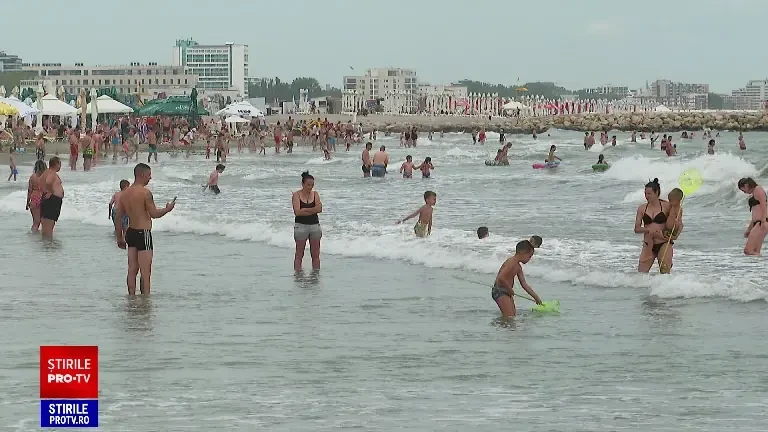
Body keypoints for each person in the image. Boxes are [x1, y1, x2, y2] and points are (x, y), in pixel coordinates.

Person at [115, 163, 176, 295]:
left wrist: (119, 237)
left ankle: (131, 297)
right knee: (145, 271)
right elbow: (154, 214)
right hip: (143, 233)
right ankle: (145, 300)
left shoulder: (124, 194)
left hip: (130, 233)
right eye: (149, 175)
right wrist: (167, 209)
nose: (150, 178)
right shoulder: (145, 193)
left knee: (132, 269)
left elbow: (118, 217)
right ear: (142, 175)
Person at [491, 240, 543, 317]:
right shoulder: (511, 262)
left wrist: (536, 298)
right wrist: (509, 289)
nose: (529, 259)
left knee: (512, 315)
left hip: (507, 292)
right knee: (509, 317)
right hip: (499, 291)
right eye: (529, 256)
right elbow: (500, 278)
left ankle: (501, 326)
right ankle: (499, 327)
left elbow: (524, 284)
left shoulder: (518, 267)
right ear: (523, 252)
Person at [634, 178, 670, 272]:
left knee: (665, 272)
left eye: (649, 194)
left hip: (663, 243)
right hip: (648, 243)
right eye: (645, 193)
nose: (646, 196)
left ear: (656, 192)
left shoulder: (666, 206)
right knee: (641, 274)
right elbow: (637, 229)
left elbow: (674, 222)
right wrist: (648, 230)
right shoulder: (642, 208)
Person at [292, 171, 323, 272]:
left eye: (312, 185)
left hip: (314, 226)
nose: (310, 187)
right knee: (299, 254)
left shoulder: (315, 194)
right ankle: (297, 276)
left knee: (315, 255)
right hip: (301, 226)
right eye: (308, 185)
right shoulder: (296, 195)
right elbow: (297, 212)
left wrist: (305, 210)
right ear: (303, 184)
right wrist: (312, 210)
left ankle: (316, 275)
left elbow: (319, 209)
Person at [737, 177, 768, 256]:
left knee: (748, 251)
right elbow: (755, 215)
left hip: (762, 223)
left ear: (746, 185)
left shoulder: (758, 189)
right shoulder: (754, 193)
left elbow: (764, 205)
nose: (744, 192)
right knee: (755, 251)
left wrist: (764, 221)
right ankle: (759, 267)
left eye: (743, 190)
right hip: (758, 223)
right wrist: (749, 229)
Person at [659, 188, 684, 273]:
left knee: (667, 242)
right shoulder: (672, 206)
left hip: (673, 230)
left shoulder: (678, 209)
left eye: (671, 200)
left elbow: (680, 224)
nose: (669, 202)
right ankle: (667, 260)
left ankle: (668, 261)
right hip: (667, 229)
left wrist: (677, 224)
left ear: (678, 200)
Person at [39, 156, 64, 238]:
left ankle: (46, 246)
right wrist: (51, 192)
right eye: (60, 164)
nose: (60, 166)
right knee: (49, 226)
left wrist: (45, 191)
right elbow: (48, 182)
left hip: (47, 199)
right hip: (52, 201)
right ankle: (49, 247)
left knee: (46, 226)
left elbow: (40, 182)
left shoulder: (46, 172)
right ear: (56, 164)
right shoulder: (52, 173)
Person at [26, 160, 46, 232]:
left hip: (34, 200)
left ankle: (33, 239)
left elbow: (29, 191)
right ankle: (44, 240)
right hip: (44, 200)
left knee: (35, 222)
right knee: (45, 223)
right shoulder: (46, 177)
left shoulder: (32, 177)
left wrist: (27, 202)